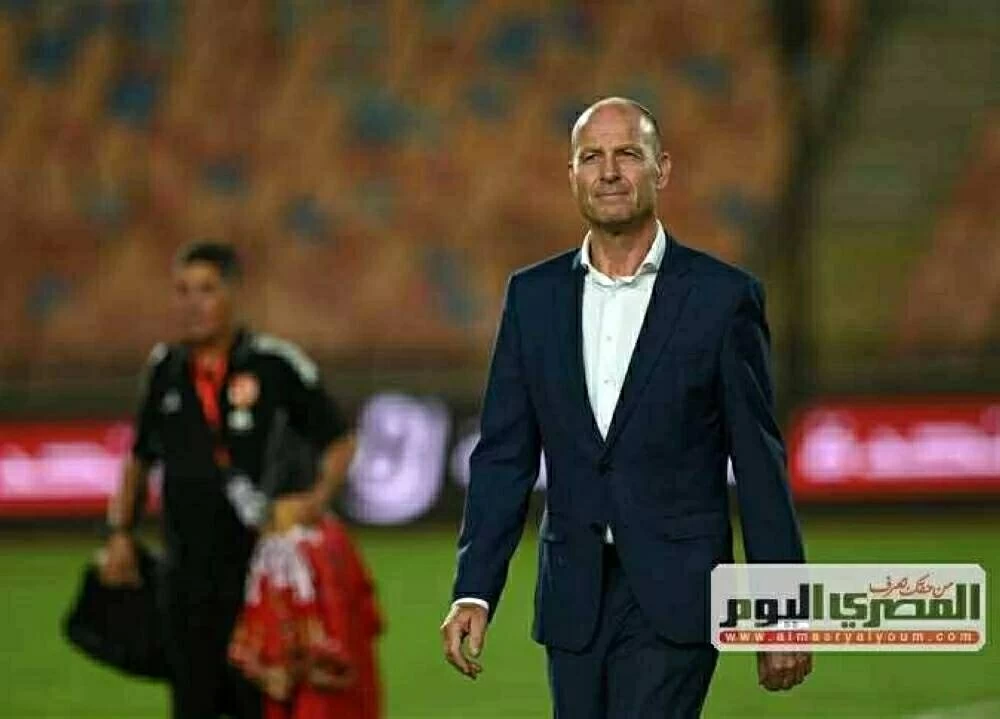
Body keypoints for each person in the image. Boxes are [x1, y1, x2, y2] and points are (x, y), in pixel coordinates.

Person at [440, 97, 812, 717]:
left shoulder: (723, 299)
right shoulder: (532, 298)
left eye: (627, 154)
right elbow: (504, 457)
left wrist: (783, 612)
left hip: (679, 595)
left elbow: (757, 463)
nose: (609, 171)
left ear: (661, 169)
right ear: (572, 174)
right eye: (591, 157)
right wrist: (474, 589)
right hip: (574, 597)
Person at [101, 241, 357, 719]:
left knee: (258, 704)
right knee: (191, 703)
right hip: (185, 574)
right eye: (182, 291)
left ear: (233, 294)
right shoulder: (165, 369)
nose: (192, 303)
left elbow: (340, 441)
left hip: (258, 575)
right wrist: (120, 533)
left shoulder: (275, 364)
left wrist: (315, 499)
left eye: (206, 290)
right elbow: (139, 459)